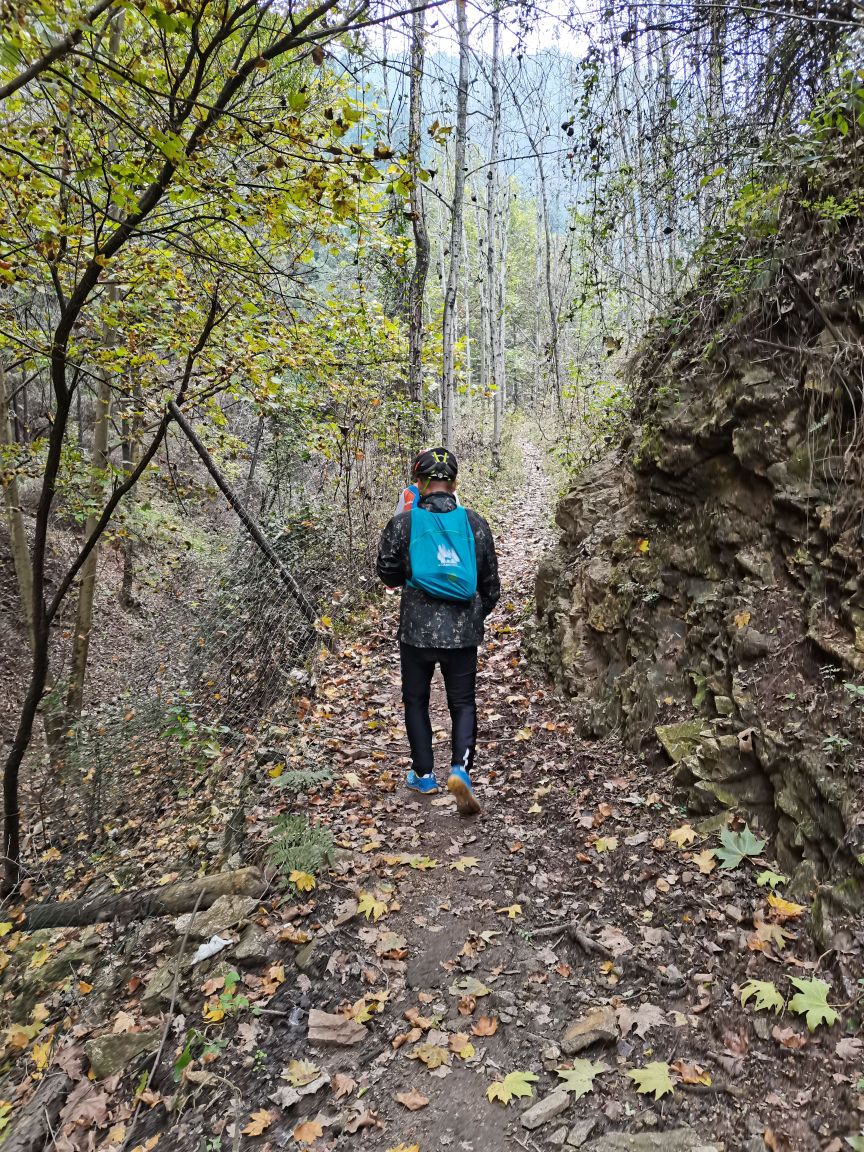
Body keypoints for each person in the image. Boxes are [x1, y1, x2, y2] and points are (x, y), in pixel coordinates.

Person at [376, 447, 500, 816]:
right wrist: (474, 615)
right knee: (462, 702)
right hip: (462, 633)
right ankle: (461, 768)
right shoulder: (475, 523)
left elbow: (387, 574)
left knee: (416, 700)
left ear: (418, 482)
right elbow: (491, 585)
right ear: (455, 483)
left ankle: (424, 774)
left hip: (416, 632)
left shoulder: (404, 523)